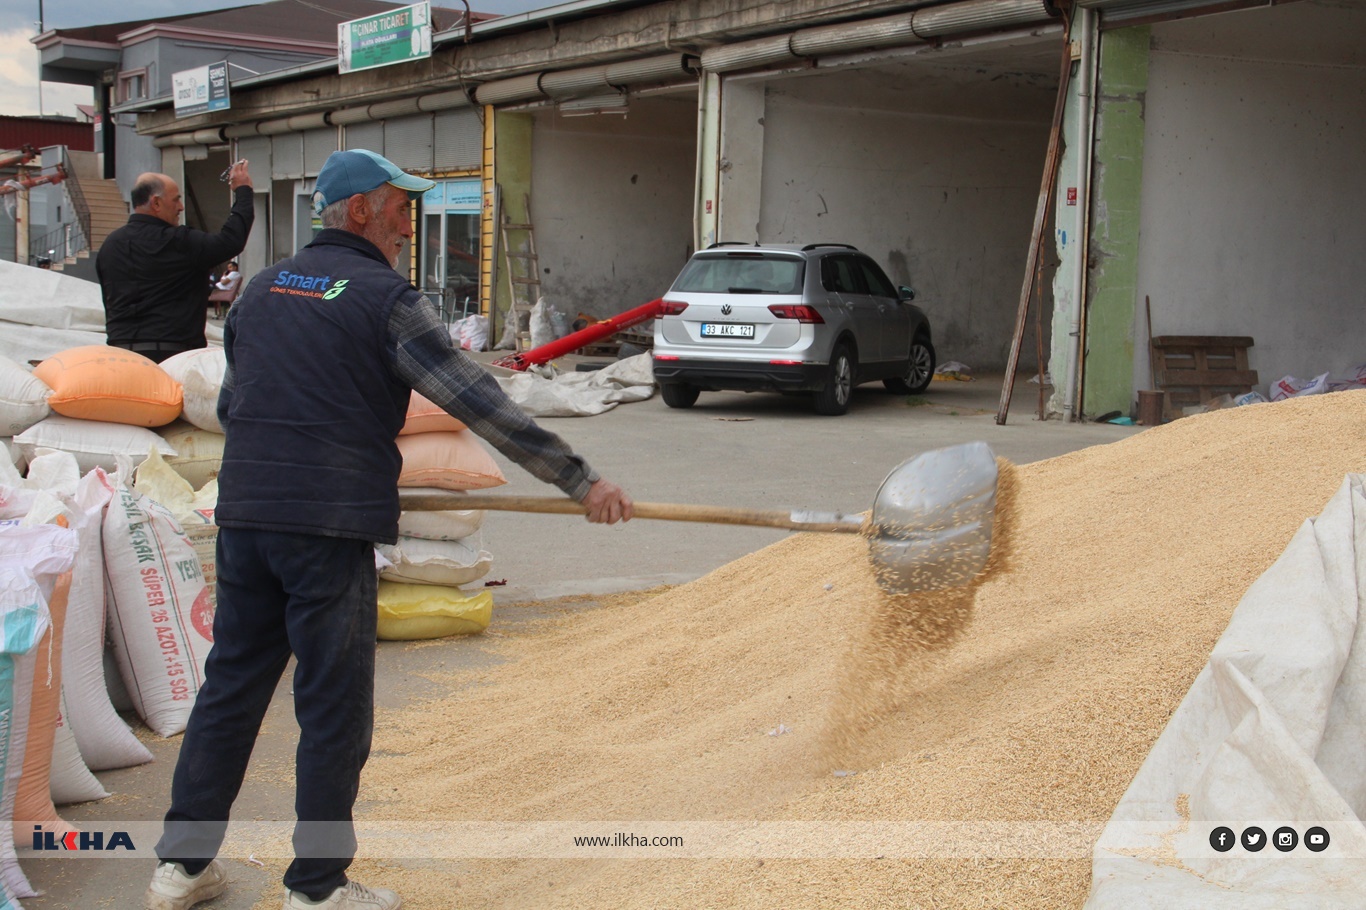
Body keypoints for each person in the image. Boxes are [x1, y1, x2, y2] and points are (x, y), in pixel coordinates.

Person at [144, 148, 633, 910]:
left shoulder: (262, 290)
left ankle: (178, 869)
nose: (409, 226)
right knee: (333, 708)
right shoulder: (385, 300)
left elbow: (236, 406)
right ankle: (316, 887)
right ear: (361, 210)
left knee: (230, 690)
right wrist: (580, 478)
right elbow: (479, 401)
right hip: (328, 529)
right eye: (401, 209)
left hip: (246, 518)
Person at [97, 163, 253, 363]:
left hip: (120, 357)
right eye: (176, 199)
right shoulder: (179, 242)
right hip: (173, 356)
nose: (181, 207)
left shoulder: (110, 245)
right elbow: (230, 241)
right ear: (156, 203)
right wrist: (243, 191)